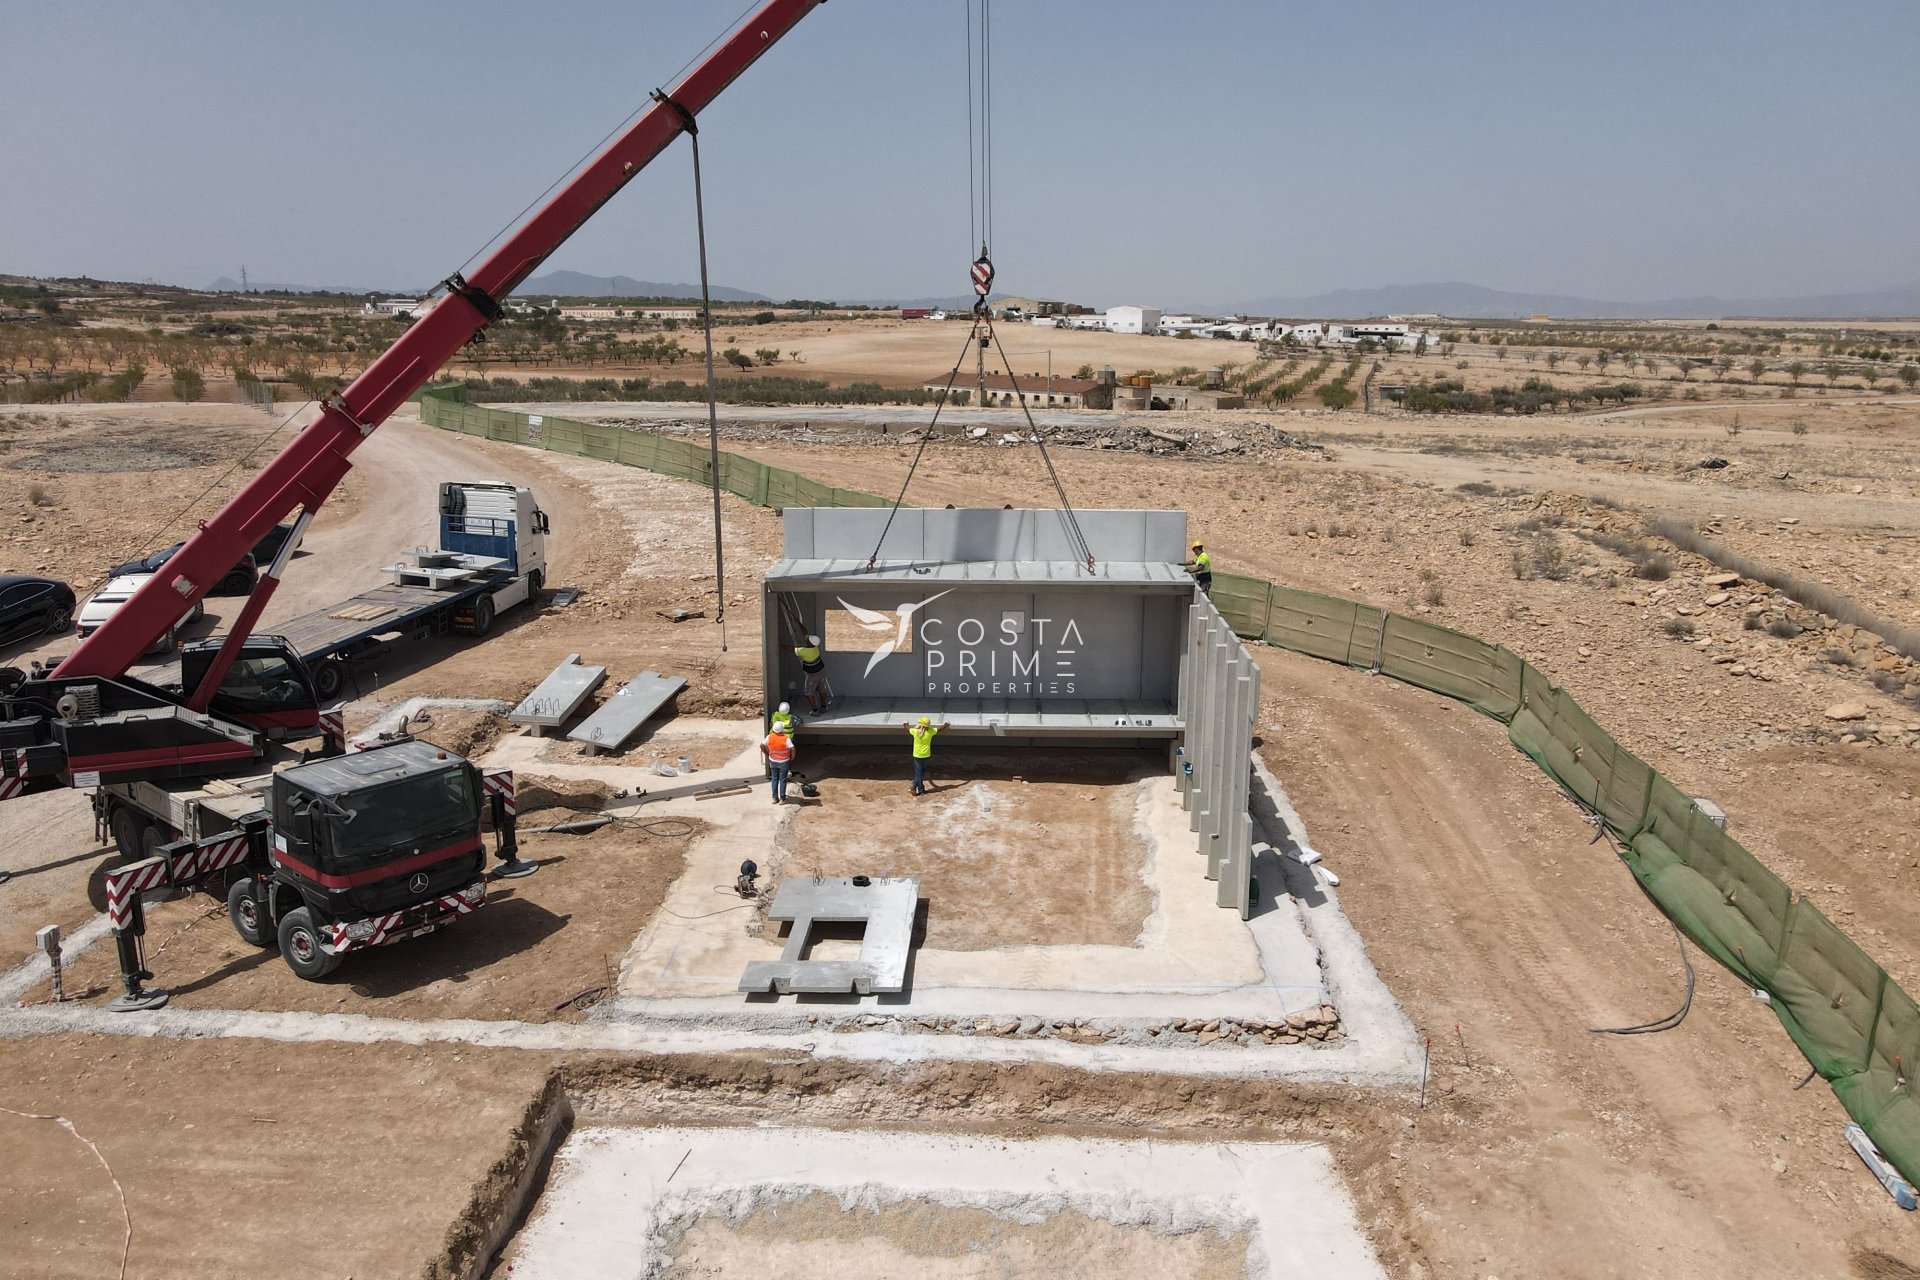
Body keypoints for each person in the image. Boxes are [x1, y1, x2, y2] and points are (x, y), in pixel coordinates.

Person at [901, 714, 950, 796]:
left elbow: (907, 728)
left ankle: (918, 788)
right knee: (922, 771)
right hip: (926, 754)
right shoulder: (930, 731)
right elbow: (940, 729)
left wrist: (905, 723)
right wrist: (946, 724)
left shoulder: (915, 731)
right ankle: (917, 787)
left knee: (918, 773)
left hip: (917, 755)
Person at [793, 634, 828, 713]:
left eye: (808, 640)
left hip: (812, 675)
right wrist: (799, 623)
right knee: (822, 689)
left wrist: (781, 644)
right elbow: (805, 633)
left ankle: (815, 710)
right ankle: (824, 706)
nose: (807, 639)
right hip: (821, 670)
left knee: (808, 692)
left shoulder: (804, 651)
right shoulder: (815, 648)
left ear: (810, 643)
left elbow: (790, 648)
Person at [763, 726, 795, 804]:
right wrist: (792, 758)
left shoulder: (769, 737)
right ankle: (782, 799)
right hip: (784, 762)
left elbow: (761, 745)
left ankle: (774, 798)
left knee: (774, 779)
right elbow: (793, 749)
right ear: (782, 730)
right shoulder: (786, 739)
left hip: (773, 761)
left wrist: (767, 754)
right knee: (783, 780)